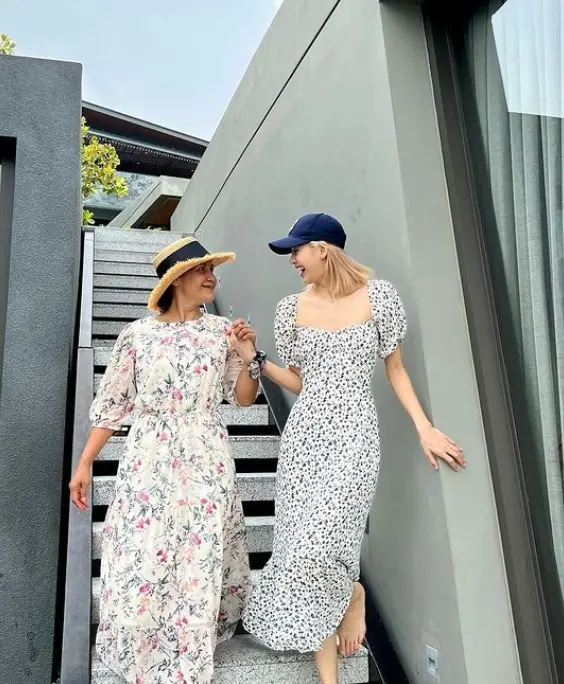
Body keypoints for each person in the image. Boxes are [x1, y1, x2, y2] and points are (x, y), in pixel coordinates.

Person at [229, 214, 465, 684]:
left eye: (296, 250)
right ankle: (329, 678)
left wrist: (425, 428)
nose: (292, 260)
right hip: (305, 438)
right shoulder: (290, 309)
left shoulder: (379, 298)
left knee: (323, 544)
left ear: (322, 248)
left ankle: (353, 592)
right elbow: (299, 382)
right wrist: (255, 358)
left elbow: (395, 370)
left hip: (355, 434)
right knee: (298, 549)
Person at [69, 236, 259, 684]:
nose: (211, 276)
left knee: (197, 551)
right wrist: (84, 464)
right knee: (145, 547)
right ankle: (144, 644)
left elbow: (244, 399)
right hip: (149, 454)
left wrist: (249, 356)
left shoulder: (222, 332)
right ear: (176, 279)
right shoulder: (137, 334)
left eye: (212, 269)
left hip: (206, 454)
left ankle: (191, 647)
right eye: (202, 269)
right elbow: (112, 406)